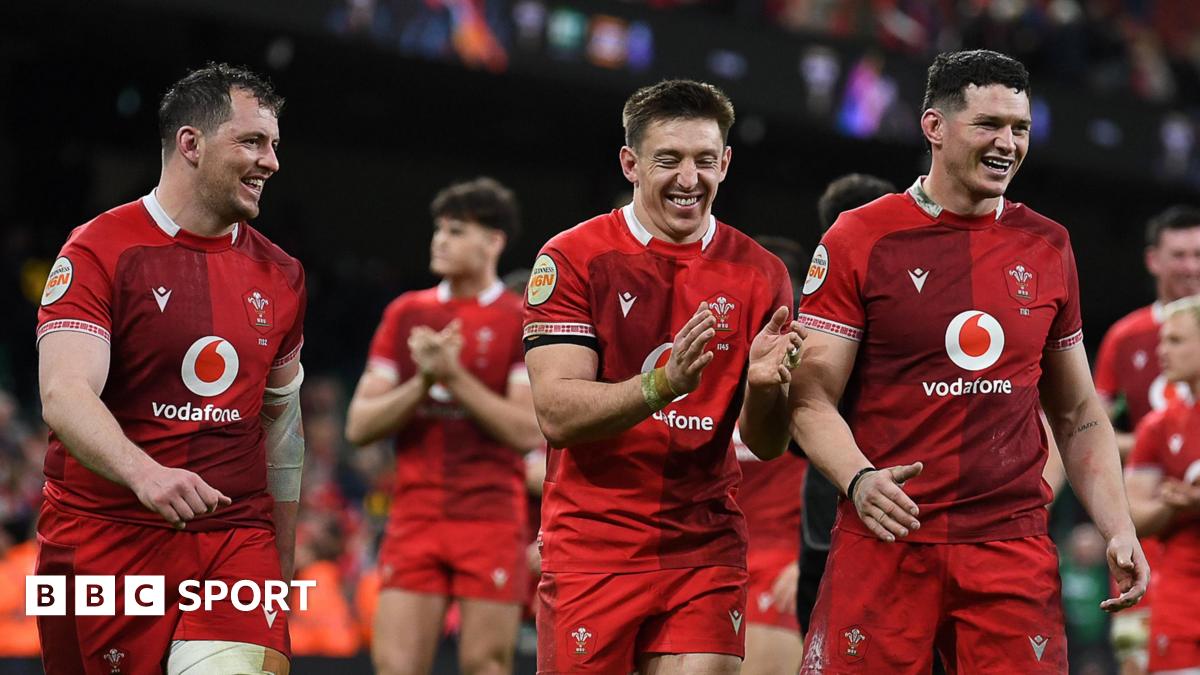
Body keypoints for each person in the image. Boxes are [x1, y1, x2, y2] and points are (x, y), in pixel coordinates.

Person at [790, 49, 1148, 673]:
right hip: (887, 538)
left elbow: (1077, 409)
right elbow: (810, 395)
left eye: (1020, 128)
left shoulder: (1048, 245)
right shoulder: (858, 238)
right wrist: (858, 477)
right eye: (989, 125)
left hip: (1010, 546)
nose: (1008, 143)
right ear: (934, 127)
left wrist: (1118, 526)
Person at [523, 79, 803, 675]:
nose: (688, 178)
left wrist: (764, 387)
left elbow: (767, 443)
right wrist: (663, 384)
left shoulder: (762, 274)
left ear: (725, 163)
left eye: (705, 160)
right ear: (630, 163)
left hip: (705, 544)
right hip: (593, 544)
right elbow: (556, 413)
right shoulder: (574, 257)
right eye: (668, 159)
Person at [36, 63, 304, 674]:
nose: (271, 162)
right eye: (252, 141)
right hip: (104, 540)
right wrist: (145, 473)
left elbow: (283, 428)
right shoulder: (99, 249)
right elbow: (65, 392)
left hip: (234, 539)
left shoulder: (283, 275)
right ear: (191, 144)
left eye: (275, 145)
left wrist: (280, 565)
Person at [345, 177, 542, 675]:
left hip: (491, 517)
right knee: (395, 667)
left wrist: (452, 376)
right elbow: (359, 425)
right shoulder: (407, 314)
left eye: (456, 231)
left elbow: (525, 431)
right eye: (439, 230)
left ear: (493, 241)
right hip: (416, 514)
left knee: (487, 666)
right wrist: (423, 383)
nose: (440, 241)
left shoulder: (519, 318)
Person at [1095, 207, 1200, 675]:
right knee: (1140, 656)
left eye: (1199, 255)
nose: (1191, 266)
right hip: (1152, 526)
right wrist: (1155, 442)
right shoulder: (1126, 338)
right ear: (1154, 260)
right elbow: (1088, 428)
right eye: (1179, 255)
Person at [794, 174, 896, 641]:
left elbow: (795, 433)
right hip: (873, 511)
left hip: (831, 513)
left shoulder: (812, 319)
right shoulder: (819, 316)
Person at [1126, 295, 1200, 675]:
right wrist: (1172, 505)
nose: (1161, 351)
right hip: (1181, 600)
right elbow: (1133, 516)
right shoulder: (1158, 425)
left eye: (1175, 341)